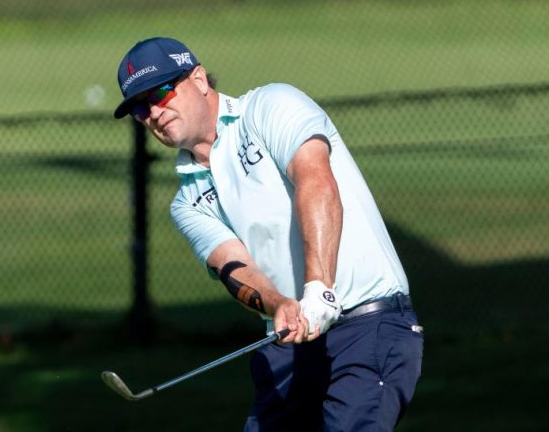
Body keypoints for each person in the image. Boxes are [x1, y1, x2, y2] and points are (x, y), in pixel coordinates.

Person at [113, 37, 423, 432]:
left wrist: (320, 288)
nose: (154, 112)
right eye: (140, 108)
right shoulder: (186, 202)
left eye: (160, 92)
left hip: (367, 327)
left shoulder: (271, 106)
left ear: (199, 79)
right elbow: (233, 265)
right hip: (289, 346)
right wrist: (278, 304)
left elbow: (316, 182)